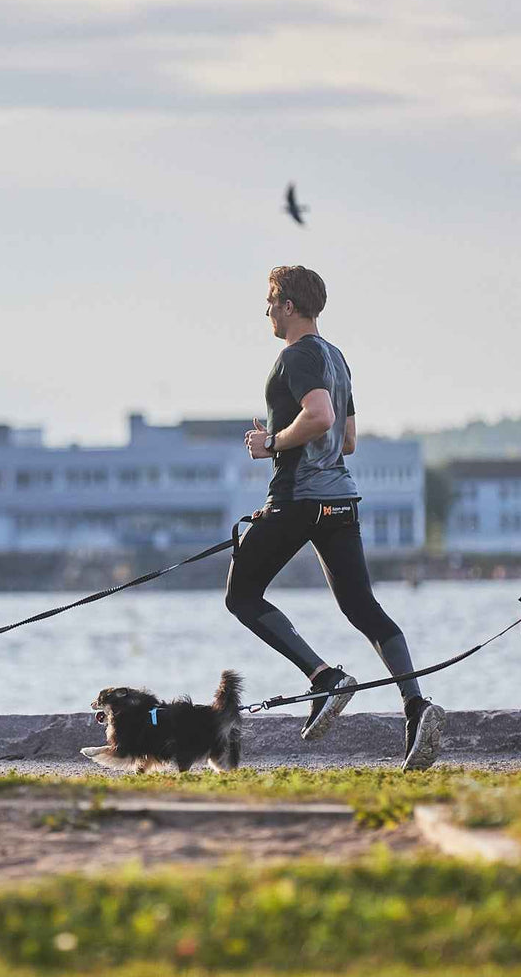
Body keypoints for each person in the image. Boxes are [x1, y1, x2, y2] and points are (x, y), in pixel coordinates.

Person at [225, 265, 444, 771]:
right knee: (362, 606)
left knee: (241, 595)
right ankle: (415, 705)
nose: (265, 312)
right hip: (339, 499)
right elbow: (346, 440)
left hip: (299, 498)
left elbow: (321, 417)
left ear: (287, 305)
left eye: (269, 302)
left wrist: (271, 443)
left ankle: (324, 679)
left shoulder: (295, 356)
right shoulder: (337, 359)